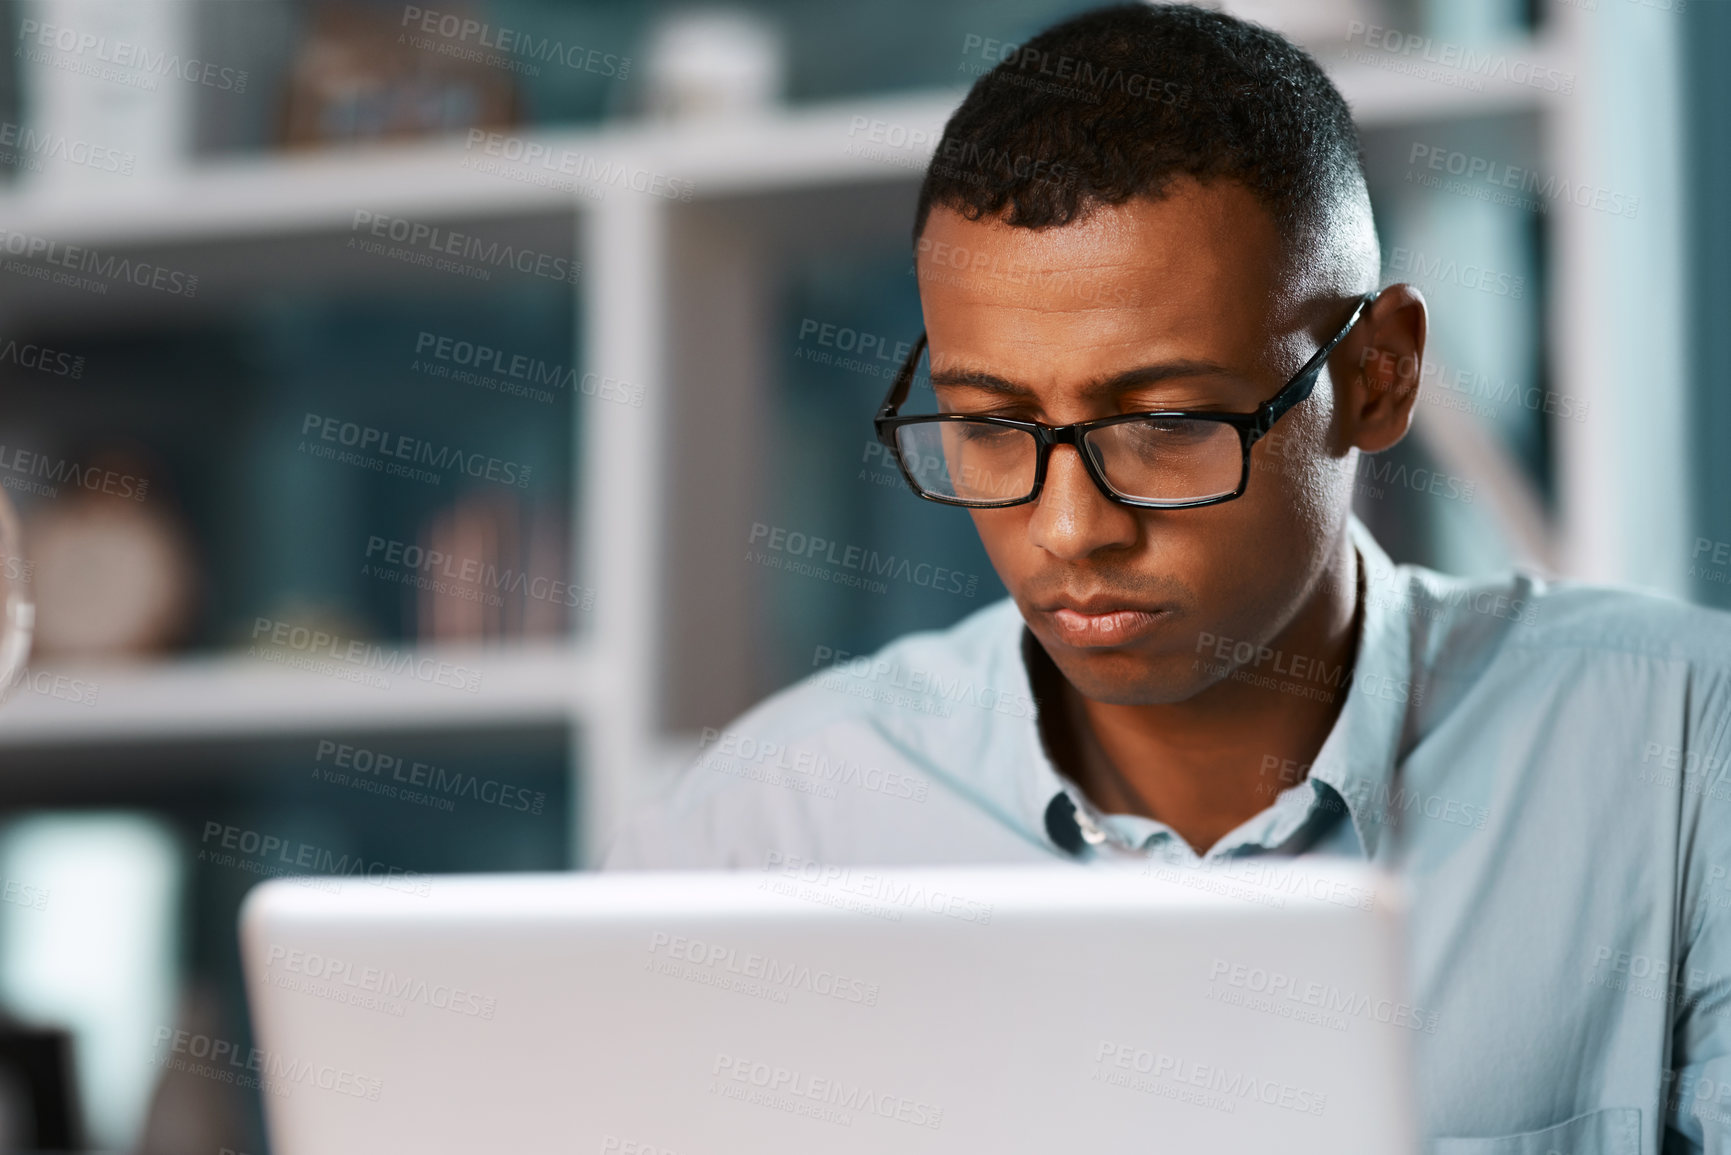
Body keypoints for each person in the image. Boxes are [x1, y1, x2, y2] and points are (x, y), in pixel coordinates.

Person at [604, 4, 1731, 1149]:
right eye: (992, 424)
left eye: (1167, 423)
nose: (1070, 528)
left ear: (1379, 377)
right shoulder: (758, 836)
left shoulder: (1685, 758)